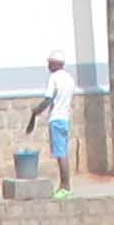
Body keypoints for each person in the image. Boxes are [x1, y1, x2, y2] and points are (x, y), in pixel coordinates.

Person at [35, 53, 77, 192]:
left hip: (56, 119)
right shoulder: (69, 79)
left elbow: (48, 99)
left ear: (56, 64)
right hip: (65, 119)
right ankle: (65, 186)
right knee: (62, 152)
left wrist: (37, 110)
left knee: (61, 154)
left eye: (50, 63)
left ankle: (65, 187)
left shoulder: (54, 78)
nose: (48, 66)